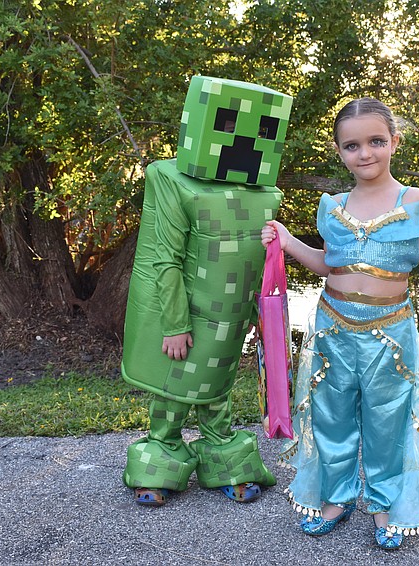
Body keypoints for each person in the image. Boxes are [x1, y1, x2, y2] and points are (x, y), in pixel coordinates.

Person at [260, 97, 419, 549]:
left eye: (375, 141)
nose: (365, 153)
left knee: (386, 421)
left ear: (394, 142)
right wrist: (288, 241)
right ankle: (336, 498)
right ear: (339, 151)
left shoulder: (418, 204)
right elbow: (328, 266)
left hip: (390, 332)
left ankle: (384, 504)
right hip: (333, 328)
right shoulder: (332, 207)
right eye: (352, 146)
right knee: (331, 416)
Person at [122, 76, 292, 507]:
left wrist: (261, 311)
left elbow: (259, 259)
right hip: (189, 313)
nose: (241, 136)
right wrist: (174, 324)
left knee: (217, 388)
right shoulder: (173, 181)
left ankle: (226, 460)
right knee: (174, 392)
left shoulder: (262, 194)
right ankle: (158, 461)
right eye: (227, 122)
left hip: (230, 314)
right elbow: (166, 258)